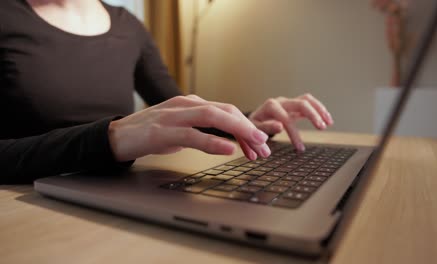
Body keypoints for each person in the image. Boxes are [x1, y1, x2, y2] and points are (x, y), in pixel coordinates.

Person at [0, 0, 333, 184]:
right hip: (27, 202)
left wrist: (249, 121)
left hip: (120, 196)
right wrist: (109, 138)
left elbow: (176, 107)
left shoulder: (127, 24)